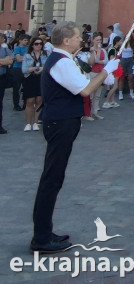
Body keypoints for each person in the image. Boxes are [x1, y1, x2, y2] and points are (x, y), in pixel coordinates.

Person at [30, 21, 119, 252]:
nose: (81, 39)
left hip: (62, 122)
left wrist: (104, 72)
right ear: (66, 40)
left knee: (53, 177)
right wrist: (107, 70)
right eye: (78, 36)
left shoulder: (63, 59)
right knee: (52, 179)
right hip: (60, 123)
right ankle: (41, 238)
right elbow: (86, 89)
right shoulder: (61, 62)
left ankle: (45, 230)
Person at [22, 37, 48, 131]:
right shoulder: (27, 55)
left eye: (40, 44)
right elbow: (24, 70)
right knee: (30, 101)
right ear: (32, 45)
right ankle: (28, 123)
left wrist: (41, 69)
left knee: (39, 100)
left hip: (41, 79)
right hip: (30, 79)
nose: (39, 46)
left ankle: (36, 122)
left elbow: (48, 67)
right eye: (36, 44)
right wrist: (36, 69)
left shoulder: (45, 55)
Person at [11, 33, 29, 111]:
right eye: (24, 40)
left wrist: (23, 57)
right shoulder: (17, 48)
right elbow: (18, 59)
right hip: (17, 69)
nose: (26, 42)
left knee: (26, 87)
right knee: (16, 88)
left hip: (25, 69)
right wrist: (26, 57)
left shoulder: (28, 48)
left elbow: (30, 58)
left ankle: (25, 103)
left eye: (27, 40)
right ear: (20, 40)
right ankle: (16, 104)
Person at [0, 37, 12, 134]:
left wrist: (5, 61)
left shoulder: (5, 49)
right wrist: (3, 61)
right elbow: (6, 61)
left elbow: (10, 61)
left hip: (1, 78)